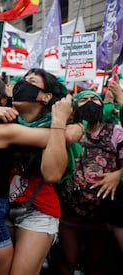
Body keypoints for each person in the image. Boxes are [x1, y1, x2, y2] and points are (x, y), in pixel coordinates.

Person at [0, 68, 73, 275]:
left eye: (30, 81)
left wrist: (61, 124)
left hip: (37, 210)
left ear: (46, 96)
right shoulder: (6, 116)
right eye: (21, 80)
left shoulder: (56, 125)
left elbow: (53, 175)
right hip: (2, 208)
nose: (21, 85)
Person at [57, 90, 123, 274]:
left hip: (102, 210)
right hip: (70, 209)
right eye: (83, 99)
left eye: (95, 99)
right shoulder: (66, 130)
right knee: (67, 260)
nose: (89, 102)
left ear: (103, 106)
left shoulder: (116, 132)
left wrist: (118, 175)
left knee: (95, 263)